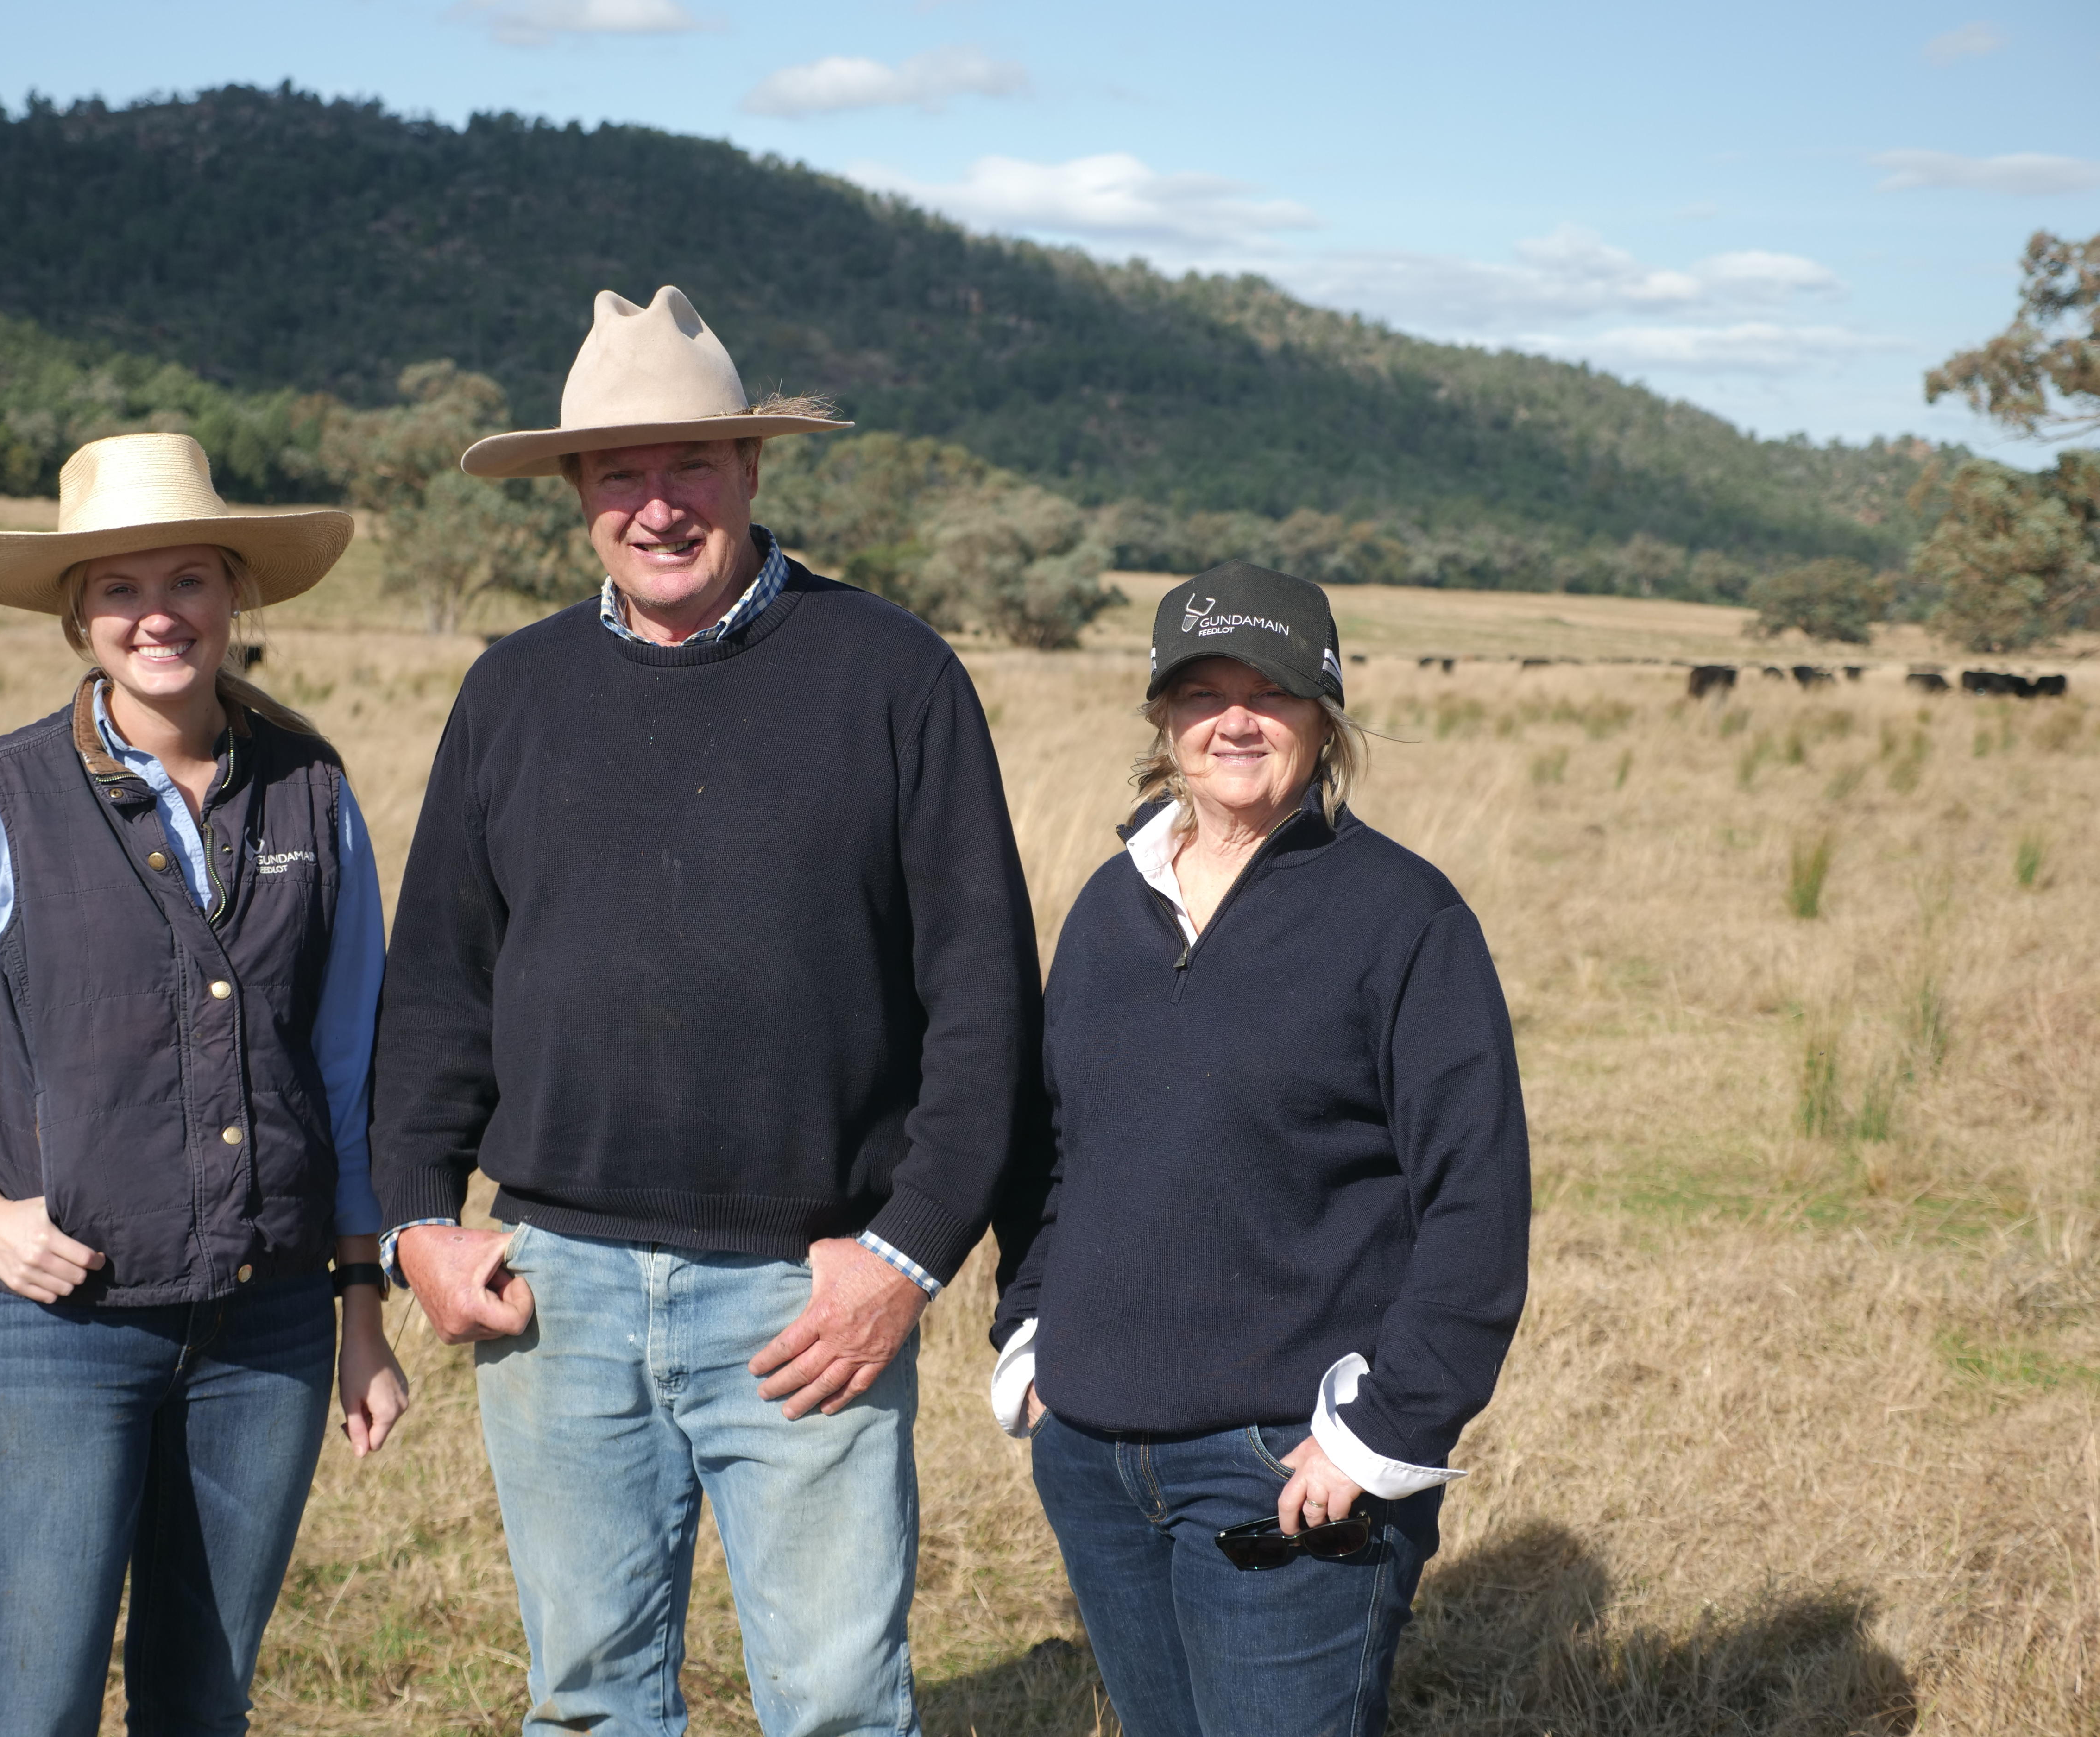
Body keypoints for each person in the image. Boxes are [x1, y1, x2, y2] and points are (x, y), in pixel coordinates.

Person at [369, 284, 1045, 1737]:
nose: (657, 504)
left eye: (689, 465)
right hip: (559, 1284)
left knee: (839, 1702)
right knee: (590, 1702)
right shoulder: (513, 691)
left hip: (808, 1291)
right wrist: (419, 1212)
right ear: (575, 493)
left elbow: (985, 1003)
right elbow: (436, 979)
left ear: (752, 469)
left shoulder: (893, 677)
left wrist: (905, 1254)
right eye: (621, 471)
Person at [0, 432, 410, 1737]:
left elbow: (347, 1061)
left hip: (267, 1330)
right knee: (30, 1704)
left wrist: (360, 1304)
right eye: (118, 586)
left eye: (191, 579)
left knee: (203, 1698)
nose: (158, 612)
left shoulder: (314, 795)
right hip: (55, 1330)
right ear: (74, 615)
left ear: (234, 596)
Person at [989, 561, 1531, 1737]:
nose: (1234, 720)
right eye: (1201, 692)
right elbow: (1052, 1145)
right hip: (1092, 1455)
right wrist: (1031, 1336)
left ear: (1323, 714)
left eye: (1270, 691)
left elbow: (1476, 1204)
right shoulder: (1109, 903)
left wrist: (1384, 1433)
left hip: (1283, 1465)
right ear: (1162, 717)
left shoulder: (1404, 918)